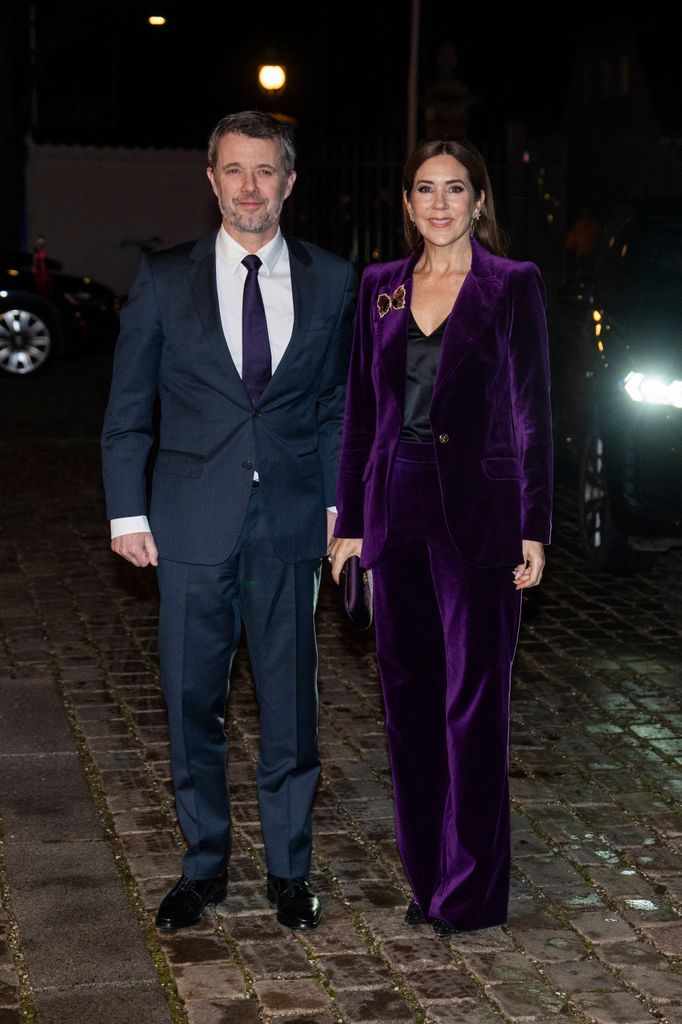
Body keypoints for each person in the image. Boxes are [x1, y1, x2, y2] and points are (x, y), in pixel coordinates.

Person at [101, 111, 356, 932]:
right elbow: (128, 410)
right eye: (234, 171)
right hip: (188, 526)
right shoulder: (164, 278)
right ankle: (203, 868)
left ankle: (290, 872)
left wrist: (334, 507)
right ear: (212, 180)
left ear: (289, 182)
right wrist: (125, 511)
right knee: (191, 705)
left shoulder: (332, 280)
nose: (250, 187)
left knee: (291, 711)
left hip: (288, 528)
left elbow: (335, 407)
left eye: (266, 171)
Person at [330, 139, 552, 936]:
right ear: (406, 202)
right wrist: (351, 526)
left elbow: (532, 413)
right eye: (425, 189)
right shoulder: (379, 290)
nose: (440, 204)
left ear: (480, 201)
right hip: (396, 513)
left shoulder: (512, 286)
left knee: (474, 707)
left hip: (481, 519)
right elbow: (362, 415)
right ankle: (428, 880)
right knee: (410, 707)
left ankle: (474, 889)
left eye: (456, 189)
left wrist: (534, 525)